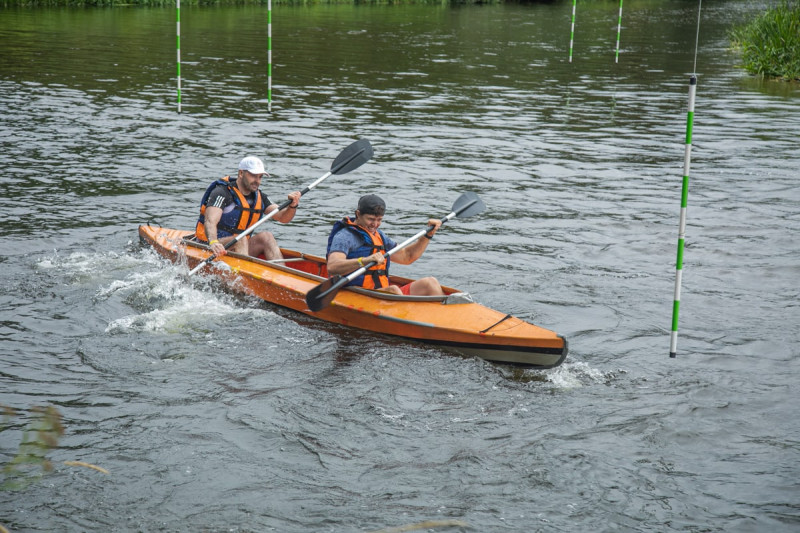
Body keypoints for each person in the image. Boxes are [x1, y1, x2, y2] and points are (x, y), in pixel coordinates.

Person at [326, 194, 444, 296]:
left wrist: (428, 235)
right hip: (357, 293)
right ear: (358, 214)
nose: (375, 224)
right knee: (393, 290)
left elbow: (407, 256)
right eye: (371, 219)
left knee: (430, 283)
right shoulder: (345, 236)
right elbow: (332, 267)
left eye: (379, 220)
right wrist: (364, 261)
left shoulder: (380, 236)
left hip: (380, 292)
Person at [195, 156, 300, 260]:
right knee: (240, 239)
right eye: (253, 176)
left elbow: (283, 217)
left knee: (266, 236)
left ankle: (278, 271)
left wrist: (292, 205)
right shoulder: (222, 192)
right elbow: (210, 221)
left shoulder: (260, 197)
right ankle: (242, 270)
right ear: (241, 173)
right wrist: (213, 242)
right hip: (211, 247)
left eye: (260, 177)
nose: (257, 181)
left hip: (239, 248)